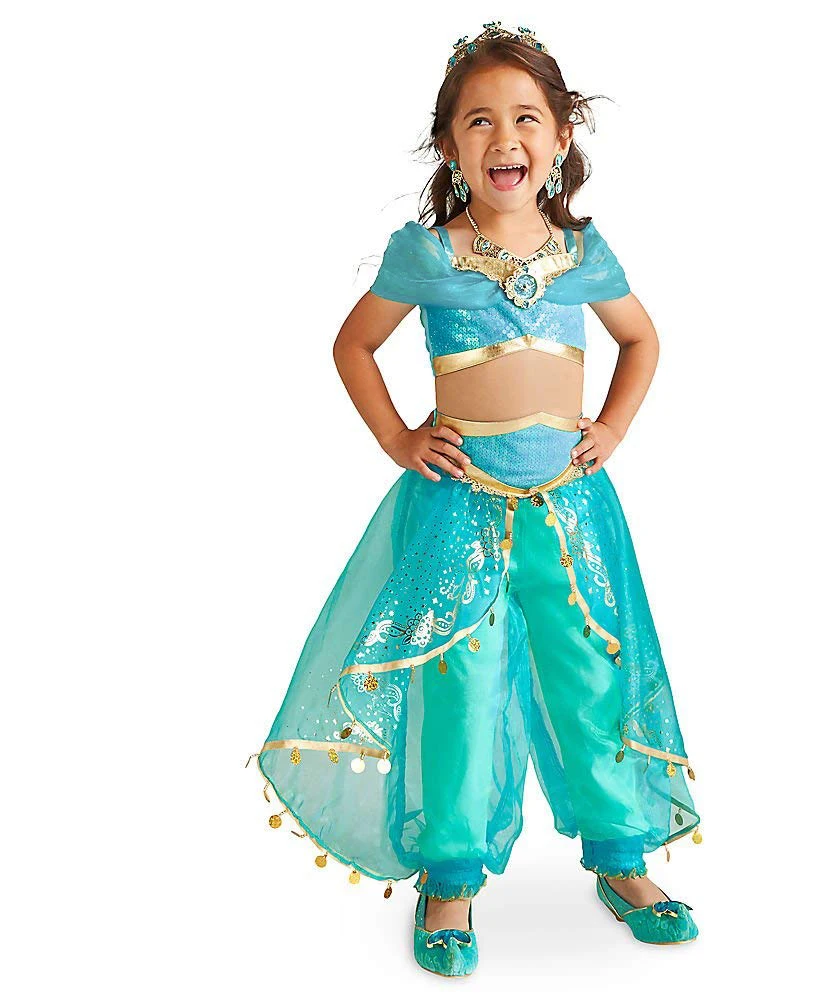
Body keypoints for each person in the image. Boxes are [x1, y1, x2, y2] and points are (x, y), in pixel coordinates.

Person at [246, 21, 703, 977]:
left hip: (572, 514)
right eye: (480, 120)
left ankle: (621, 856)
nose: (505, 138)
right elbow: (353, 345)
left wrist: (612, 429)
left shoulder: (584, 253)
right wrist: (399, 439)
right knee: (463, 684)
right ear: (450, 143)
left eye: (526, 118)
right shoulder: (428, 254)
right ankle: (450, 873)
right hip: (459, 510)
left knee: (590, 678)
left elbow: (642, 340)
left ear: (562, 135)